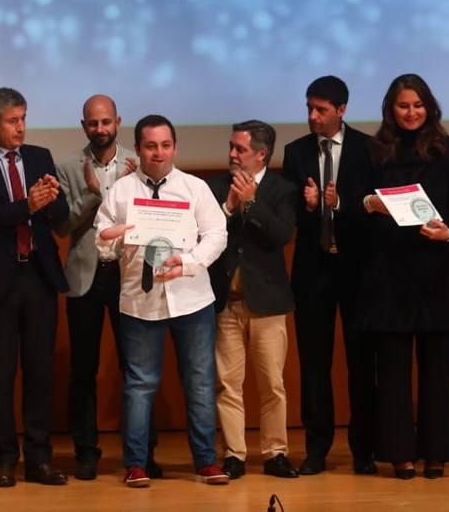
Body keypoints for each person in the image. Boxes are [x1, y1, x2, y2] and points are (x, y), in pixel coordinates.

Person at [96, 114, 230, 488]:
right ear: (138, 149)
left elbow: (217, 234)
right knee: (140, 385)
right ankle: (136, 464)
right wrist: (116, 235)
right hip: (140, 301)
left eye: (166, 145)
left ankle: (205, 461)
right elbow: (101, 239)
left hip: (192, 299)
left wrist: (188, 263)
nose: (159, 153)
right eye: (151, 146)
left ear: (175, 147)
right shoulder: (121, 191)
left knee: (201, 382)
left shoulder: (194, 188)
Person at [357, 74, 449, 480]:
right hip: (388, 273)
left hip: (435, 271)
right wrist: (371, 204)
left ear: (430, 108)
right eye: (404, 105)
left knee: (436, 369)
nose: (411, 113)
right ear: (391, 109)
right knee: (391, 370)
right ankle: (399, 454)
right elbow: (358, 205)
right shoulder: (373, 151)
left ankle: (435, 453)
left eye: (418, 105)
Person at [0, 87, 71, 487]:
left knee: (41, 373)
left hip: (39, 276)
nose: (20, 128)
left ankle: (39, 459)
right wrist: (27, 204)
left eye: (23, 118)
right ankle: (4, 459)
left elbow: (59, 219)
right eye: (12, 121)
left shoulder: (40, 157)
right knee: (1, 374)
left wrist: (52, 200)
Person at [53, 94, 157, 480]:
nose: (100, 129)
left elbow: (154, 218)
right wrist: (92, 193)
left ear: (118, 122)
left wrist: (140, 186)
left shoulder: (141, 161)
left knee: (139, 369)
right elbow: (63, 227)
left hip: (130, 275)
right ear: (84, 126)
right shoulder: (68, 168)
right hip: (86, 277)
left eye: (106, 122)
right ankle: (85, 451)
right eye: (93, 123)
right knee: (84, 369)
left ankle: (143, 453)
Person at [281, 75, 378, 475]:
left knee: (361, 361)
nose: (313, 116)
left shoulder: (369, 149)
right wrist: (308, 205)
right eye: (309, 108)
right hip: (313, 268)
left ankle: (364, 449)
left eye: (321, 109)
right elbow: (289, 214)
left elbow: (376, 208)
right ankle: (317, 447)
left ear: (341, 110)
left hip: (358, 268)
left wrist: (341, 205)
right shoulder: (296, 152)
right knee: (314, 363)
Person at [207, 120, 299, 479]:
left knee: (272, 384)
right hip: (226, 301)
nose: (231, 154)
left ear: (261, 155)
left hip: (269, 303)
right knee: (227, 384)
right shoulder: (215, 186)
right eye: (231, 146)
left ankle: (275, 452)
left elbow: (281, 235)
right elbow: (206, 232)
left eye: (239, 149)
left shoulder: (282, 189)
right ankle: (235, 455)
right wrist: (230, 207)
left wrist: (252, 204)